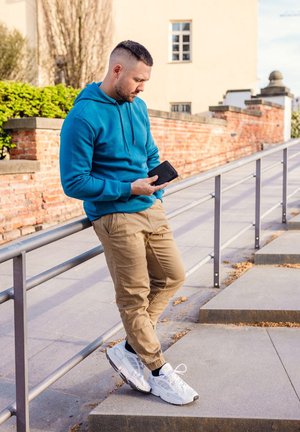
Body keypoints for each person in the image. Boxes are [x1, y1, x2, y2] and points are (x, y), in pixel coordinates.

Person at [60, 40, 198, 405]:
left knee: (173, 276)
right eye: (138, 79)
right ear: (117, 70)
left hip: (148, 206)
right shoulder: (83, 117)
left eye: (145, 82)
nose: (141, 87)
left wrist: (156, 189)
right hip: (114, 215)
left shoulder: (136, 107)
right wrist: (127, 188)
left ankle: (128, 348)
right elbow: (73, 182)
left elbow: (149, 152)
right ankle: (157, 369)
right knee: (134, 296)